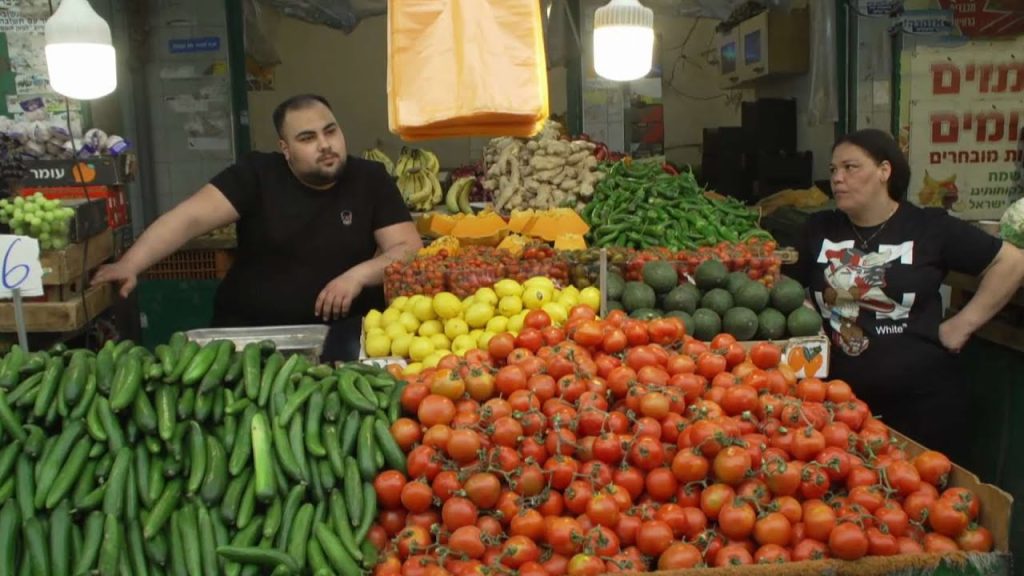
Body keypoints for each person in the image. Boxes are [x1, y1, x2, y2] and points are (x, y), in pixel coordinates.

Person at [93, 94, 422, 361]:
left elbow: (408, 249)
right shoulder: (256, 175)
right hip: (252, 335)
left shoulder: (370, 179)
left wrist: (357, 275)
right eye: (307, 138)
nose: (325, 144)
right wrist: (130, 264)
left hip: (343, 336)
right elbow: (188, 218)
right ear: (285, 148)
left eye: (330, 131)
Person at [790, 128, 1024, 461]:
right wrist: (805, 313)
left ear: (885, 171)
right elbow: (779, 285)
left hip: (923, 406)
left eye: (850, 167)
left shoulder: (928, 226)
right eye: (833, 170)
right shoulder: (818, 228)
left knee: (921, 500)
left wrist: (962, 324)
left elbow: (1011, 262)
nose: (837, 179)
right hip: (838, 409)